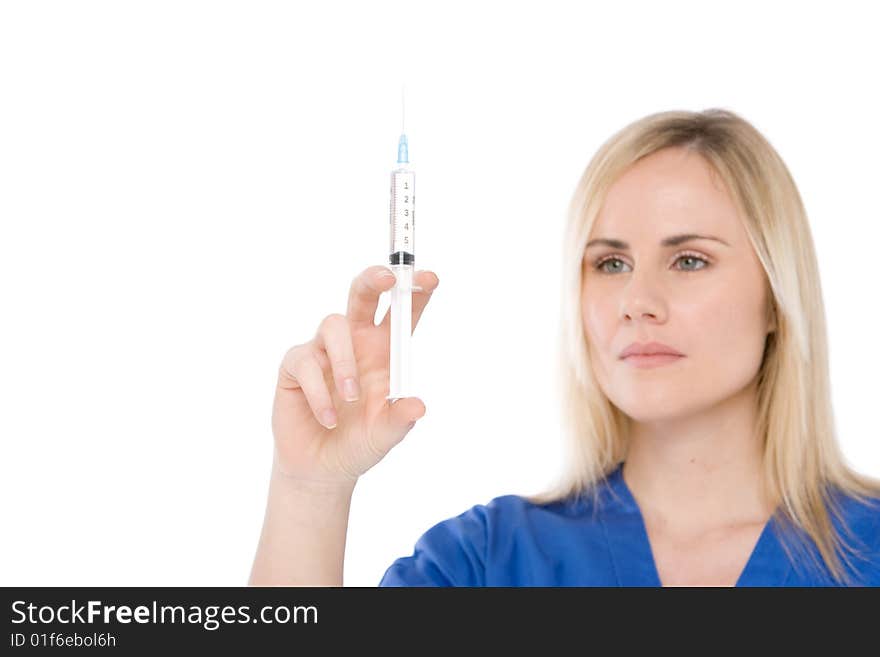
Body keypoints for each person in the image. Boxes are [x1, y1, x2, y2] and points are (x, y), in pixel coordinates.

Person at [248, 108, 880, 587]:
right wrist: (309, 489)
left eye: (689, 260)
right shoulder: (488, 563)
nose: (638, 298)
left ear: (777, 296)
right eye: (609, 263)